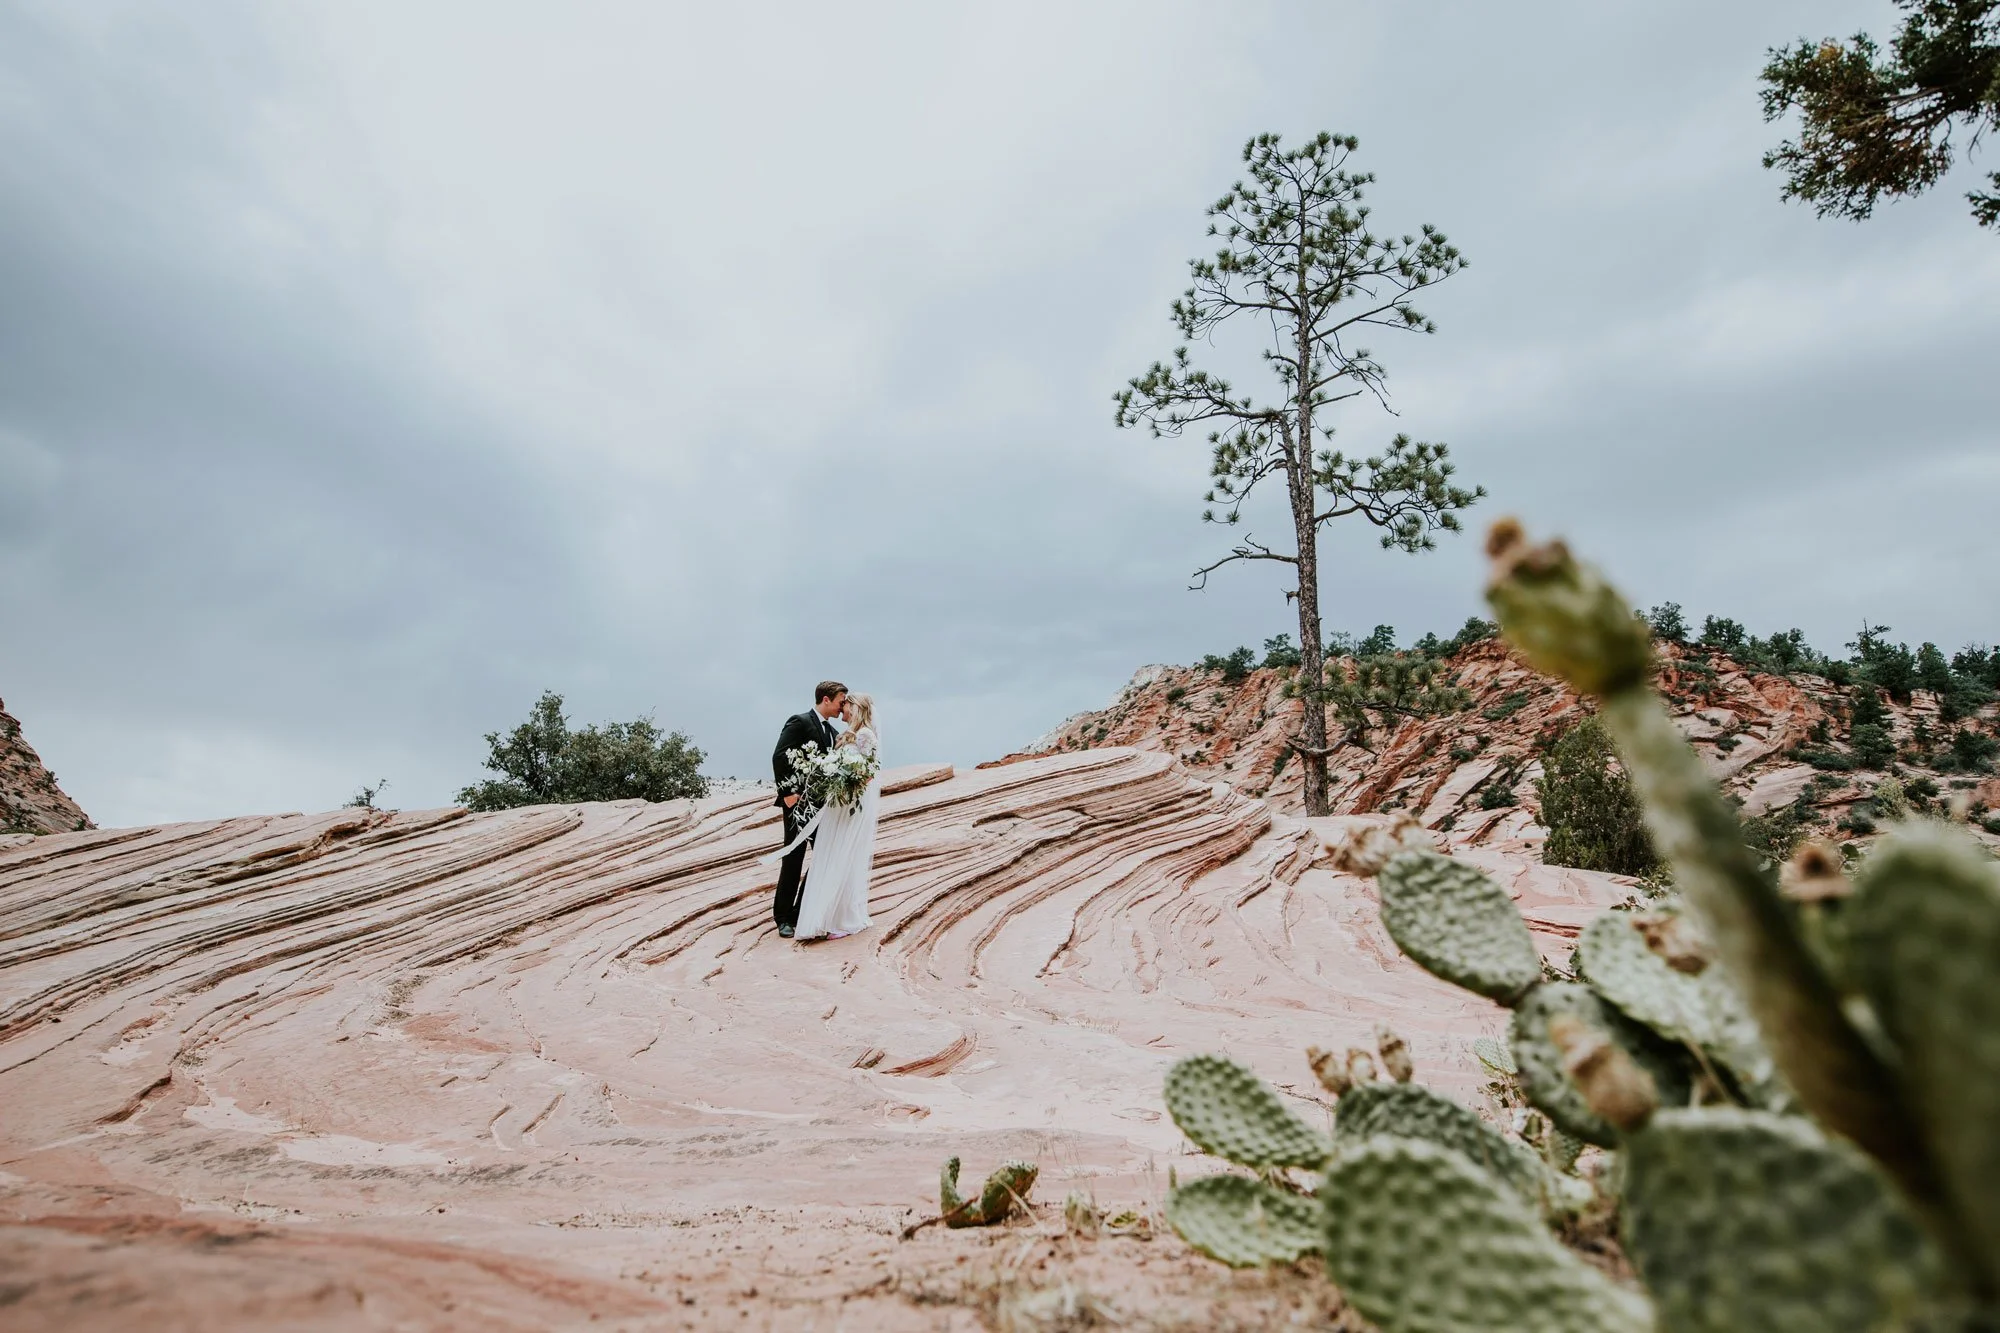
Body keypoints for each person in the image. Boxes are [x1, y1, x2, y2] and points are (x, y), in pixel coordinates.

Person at [792, 693, 879, 941]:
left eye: (846, 704)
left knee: (844, 855)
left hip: (850, 804)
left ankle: (844, 918)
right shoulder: (845, 735)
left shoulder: (866, 735)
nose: (843, 708)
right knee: (831, 855)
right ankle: (826, 915)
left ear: (856, 708)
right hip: (837, 804)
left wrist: (847, 781)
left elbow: (869, 772)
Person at [770, 681, 844, 938]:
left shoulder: (833, 733)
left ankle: (800, 912)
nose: (842, 707)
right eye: (840, 702)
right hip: (797, 804)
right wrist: (788, 793)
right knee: (793, 857)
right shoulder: (799, 722)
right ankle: (782, 917)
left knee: (824, 856)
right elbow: (780, 755)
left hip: (821, 807)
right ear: (826, 699)